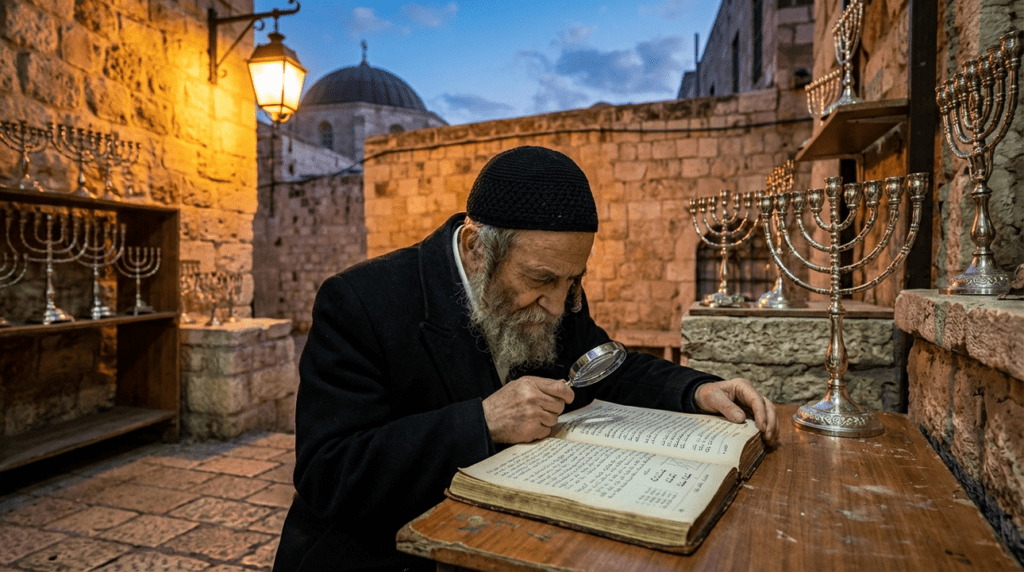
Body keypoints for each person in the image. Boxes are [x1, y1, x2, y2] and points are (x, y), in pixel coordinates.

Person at [273, 146, 778, 571]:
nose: (560, 304)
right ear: (476, 249)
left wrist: (696, 390)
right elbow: (327, 471)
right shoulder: (361, 301)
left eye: (572, 280)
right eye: (540, 280)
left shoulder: (558, 287)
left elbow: (608, 365)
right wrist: (483, 421)